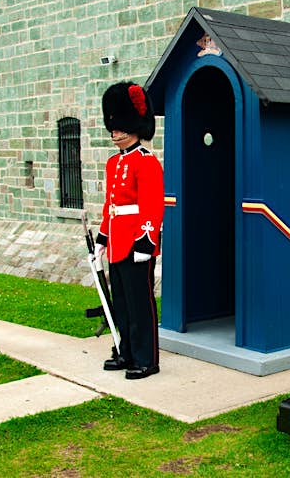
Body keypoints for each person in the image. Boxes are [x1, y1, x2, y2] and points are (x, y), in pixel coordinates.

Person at [94, 81, 164, 380]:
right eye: (113, 127)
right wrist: (102, 237)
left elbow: (151, 205)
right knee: (121, 303)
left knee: (140, 304)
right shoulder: (113, 163)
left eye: (119, 126)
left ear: (133, 126)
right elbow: (110, 205)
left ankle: (146, 359)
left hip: (137, 242)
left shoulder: (146, 162)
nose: (114, 132)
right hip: (117, 241)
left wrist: (146, 241)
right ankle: (126, 351)